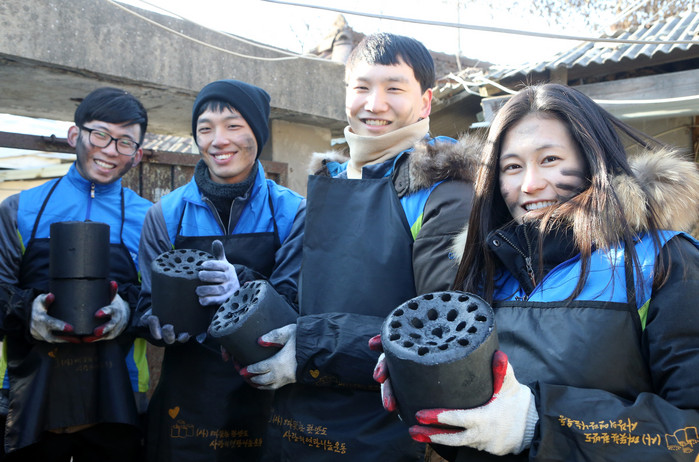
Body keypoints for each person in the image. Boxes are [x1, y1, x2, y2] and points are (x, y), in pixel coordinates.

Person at [374, 83, 699, 461]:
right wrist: (427, 383)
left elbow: (689, 432)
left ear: (593, 161)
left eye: (550, 159)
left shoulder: (662, 261)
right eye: (512, 167)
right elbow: (470, 434)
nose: (529, 185)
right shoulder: (484, 269)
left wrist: (537, 422)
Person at [240, 33, 481, 461]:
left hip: (388, 432)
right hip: (295, 426)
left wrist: (311, 346)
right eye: (362, 87)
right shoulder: (328, 182)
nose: (374, 104)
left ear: (425, 102)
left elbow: (441, 333)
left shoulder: (444, 191)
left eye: (394, 88)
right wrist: (238, 296)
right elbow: (290, 293)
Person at [136, 78, 305, 462]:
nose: (218, 140)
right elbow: (146, 303)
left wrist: (240, 287)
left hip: (266, 390)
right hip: (189, 398)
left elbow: (295, 305)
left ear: (257, 133)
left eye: (233, 126)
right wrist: (153, 324)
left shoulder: (292, 212)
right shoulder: (165, 214)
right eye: (205, 129)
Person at [0, 87, 152, 461]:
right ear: (74, 135)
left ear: (137, 155)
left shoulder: (150, 219)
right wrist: (28, 312)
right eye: (100, 134)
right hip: (27, 388)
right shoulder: (20, 209)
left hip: (118, 393)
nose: (110, 149)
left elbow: (158, 302)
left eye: (125, 142)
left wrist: (127, 312)